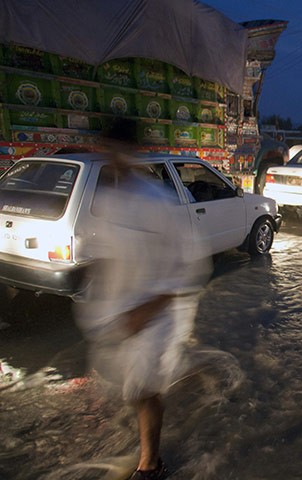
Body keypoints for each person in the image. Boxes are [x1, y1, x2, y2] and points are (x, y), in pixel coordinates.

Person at [74, 118, 210, 480]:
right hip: (123, 312)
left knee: (144, 388)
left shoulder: (158, 202)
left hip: (158, 312)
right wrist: (101, 309)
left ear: (132, 152)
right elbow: (105, 260)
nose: (112, 157)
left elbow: (189, 267)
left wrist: (147, 310)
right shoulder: (110, 200)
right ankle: (190, 374)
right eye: (107, 149)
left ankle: (149, 466)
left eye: (118, 150)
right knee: (133, 387)